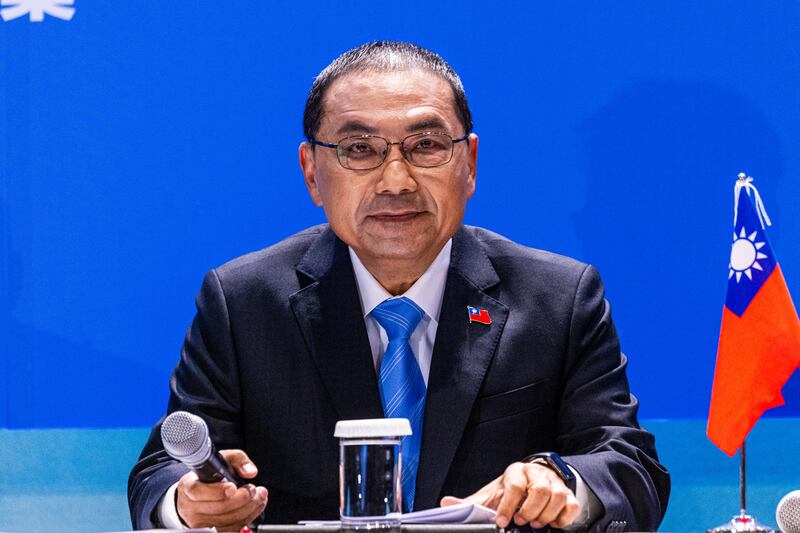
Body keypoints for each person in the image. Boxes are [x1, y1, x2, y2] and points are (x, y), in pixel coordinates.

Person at [128, 41, 670, 532]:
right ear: (312, 173)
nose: (396, 180)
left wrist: (561, 480)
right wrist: (188, 505)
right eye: (359, 150)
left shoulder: (558, 297)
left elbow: (631, 468)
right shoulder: (243, 302)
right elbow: (161, 477)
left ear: (470, 164)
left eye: (426, 145)